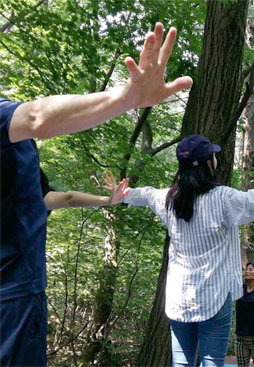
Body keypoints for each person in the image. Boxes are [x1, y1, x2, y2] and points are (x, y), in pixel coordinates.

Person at [0, 22, 192, 366]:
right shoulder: (6, 119)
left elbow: (54, 199)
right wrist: (124, 98)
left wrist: (107, 200)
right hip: (14, 298)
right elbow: (37, 117)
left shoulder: (14, 158)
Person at [119, 134, 254, 367]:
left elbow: (143, 194)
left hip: (178, 299)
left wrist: (121, 194)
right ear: (209, 163)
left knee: (181, 364)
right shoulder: (222, 198)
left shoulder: (167, 198)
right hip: (215, 296)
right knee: (212, 362)